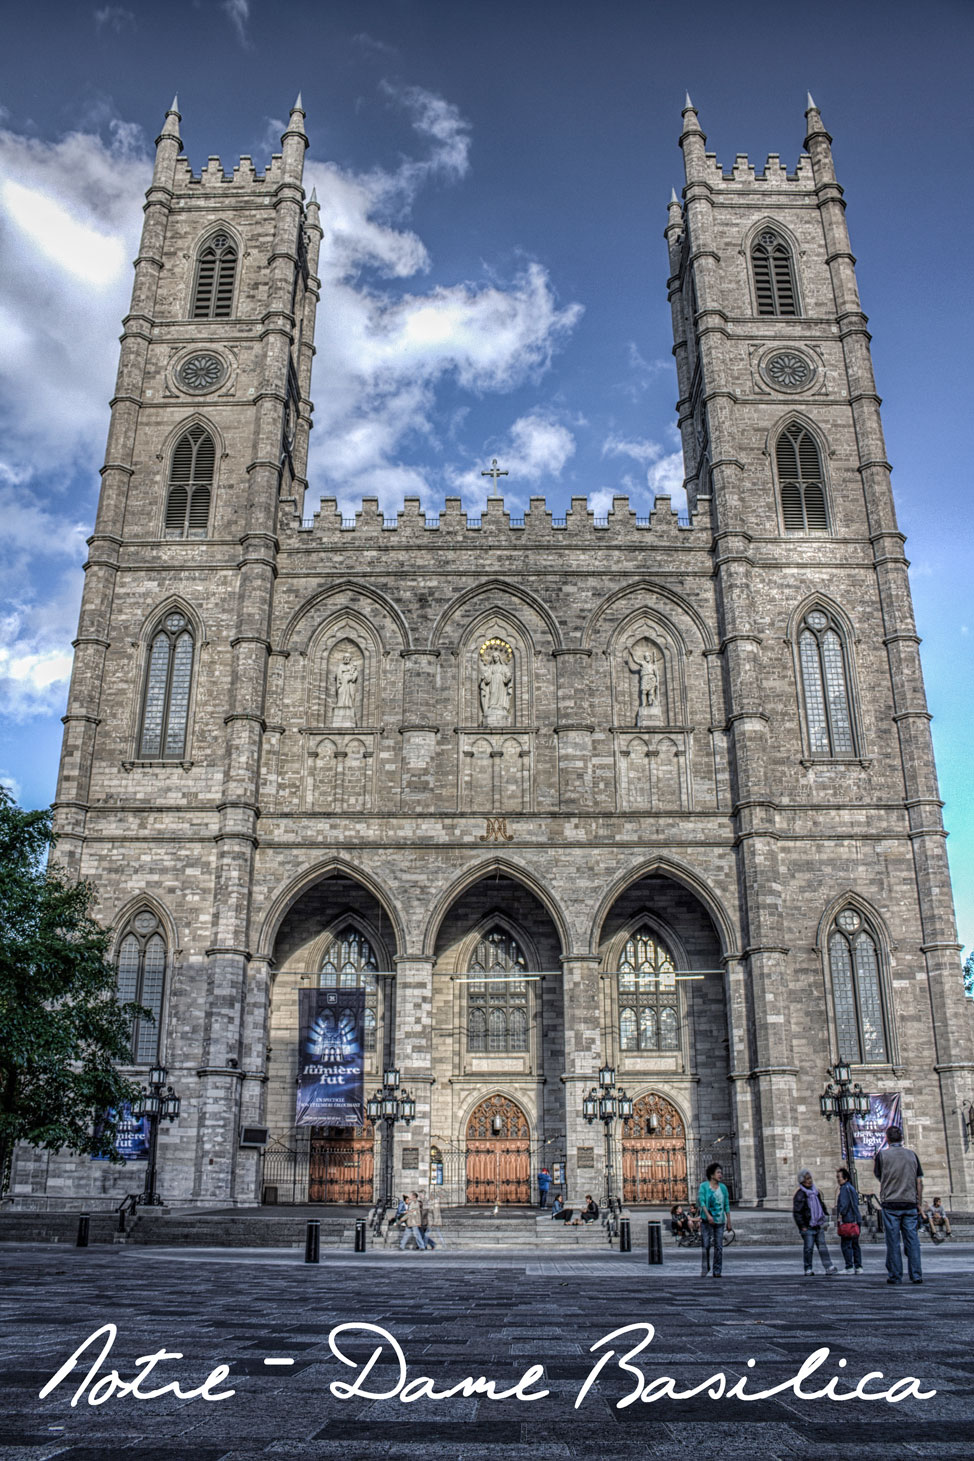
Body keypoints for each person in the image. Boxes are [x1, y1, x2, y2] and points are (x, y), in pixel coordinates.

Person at [874, 1125, 924, 1285]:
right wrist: (919, 1203)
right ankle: (916, 1274)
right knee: (912, 1240)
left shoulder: (882, 1156)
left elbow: (879, 1175)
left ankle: (895, 1275)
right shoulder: (912, 1155)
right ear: (901, 1138)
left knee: (893, 1241)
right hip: (910, 1202)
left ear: (887, 1138)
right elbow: (919, 1181)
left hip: (891, 1203)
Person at [793, 1168, 838, 1276]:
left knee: (822, 1246)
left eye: (810, 1178)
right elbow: (797, 1212)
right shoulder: (800, 1195)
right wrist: (802, 1226)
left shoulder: (815, 1192)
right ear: (802, 1181)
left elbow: (821, 1205)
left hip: (817, 1224)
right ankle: (808, 1268)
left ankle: (829, 1267)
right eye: (807, 1179)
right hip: (808, 1226)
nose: (809, 1181)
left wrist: (825, 1217)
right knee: (808, 1248)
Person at [698, 1162, 732, 1277]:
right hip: (706, 1221)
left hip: (720, 1221)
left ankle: (717, 1270)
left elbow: (726, 1204)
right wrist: (708, 1215)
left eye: (721, 1173)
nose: (720, 1175)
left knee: (719, 1247)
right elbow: (701, 1202)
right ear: (711, 1175)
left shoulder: (723, 1188)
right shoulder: (704, 1186)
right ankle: (706, 1267)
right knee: (706, 1245)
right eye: (718, 1172)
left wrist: (729, 1221)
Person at [835, 1167, 863, 1273]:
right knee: (855, 1244)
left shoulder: (844, 1189)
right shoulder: (851, 1188)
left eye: (839, 1177)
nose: (838, 1179)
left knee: (846, 1244)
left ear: (845, 1178)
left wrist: (840, 1216)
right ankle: (858, 1266)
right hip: (856, 1219)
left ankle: (849, 1266)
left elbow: (844, 1204)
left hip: (849, 1219)